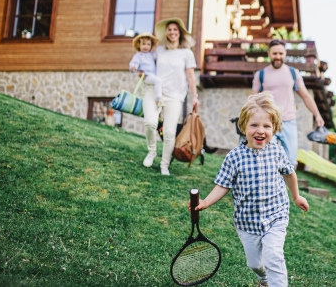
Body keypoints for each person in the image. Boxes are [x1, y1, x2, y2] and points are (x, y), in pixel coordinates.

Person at [192, 92, 309, 287]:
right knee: (254, 264)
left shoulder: (277, 151)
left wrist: (296, 197)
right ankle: (264, 281)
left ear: (274, 129)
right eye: (254, 125)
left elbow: (290, 174)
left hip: (276, 216)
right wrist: (205, 202)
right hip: (247, 221)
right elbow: (223, 185)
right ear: (243, 126)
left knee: (273, 257)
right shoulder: (234, 157)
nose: (260, 131)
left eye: (266, 126)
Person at [252, 39, 325, 167]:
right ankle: (270, 186)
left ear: (285, 54)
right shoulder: (261, 75)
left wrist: (317, 115)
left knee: (290, 162)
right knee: (268, 159)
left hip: (289, 122)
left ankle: (283, 187)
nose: (278, 57)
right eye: (275, 53)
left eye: (281, 53)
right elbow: (253, 100)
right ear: (269, 54)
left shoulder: (293, 73)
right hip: (269, 123)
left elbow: (306, 96)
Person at [140, 18, 199, 176]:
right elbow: (146, 64)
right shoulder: (159, 51)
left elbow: (191, 77)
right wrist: (140, 70)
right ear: (165, 33)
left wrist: (195, 96)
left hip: (175, 96)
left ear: (180, 33)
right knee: (150, 123)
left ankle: (164, 165)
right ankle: (152, 151)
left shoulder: (186, 53)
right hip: (154, 91)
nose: (172, 32)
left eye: (175, 30)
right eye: (169, 30)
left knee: (169, 132)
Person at [129, 32, 165, 108]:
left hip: (154, 75)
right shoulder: (139, 55)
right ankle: (160, 99)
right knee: (158, 81)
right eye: (144, 44)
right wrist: (133, 67)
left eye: (148, 44)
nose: (146, 46)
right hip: (147, 75)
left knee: (158, 82)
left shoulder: (152, 54)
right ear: (139, 45)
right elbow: (135, 63)